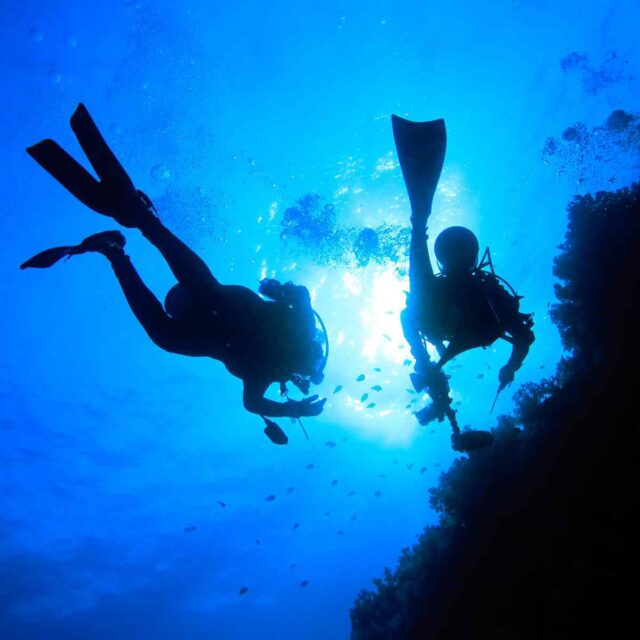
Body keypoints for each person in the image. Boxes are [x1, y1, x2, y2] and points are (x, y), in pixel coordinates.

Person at [20, 104, 327, 443]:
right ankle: (137, 227)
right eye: (308, 366)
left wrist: (292, 409)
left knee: (165, 334)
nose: (302, 367)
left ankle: (117, 249)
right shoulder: (299, 330)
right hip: (222, 303)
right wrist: (279, 289)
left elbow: (252, 403)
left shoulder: (269, 369)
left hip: (208, 326)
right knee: (185, 293)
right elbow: (302, 297)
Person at [391, 115, 534, 443]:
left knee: (413, 304)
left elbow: (411, 313)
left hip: (441, 326)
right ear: (473, 256)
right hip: (456, 328)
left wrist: (426, 363)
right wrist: (510, 367)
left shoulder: (468, 291)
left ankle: (418, 224)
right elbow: (524, 337)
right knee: (415, 303)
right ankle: (418, 224)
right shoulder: (489, 291)